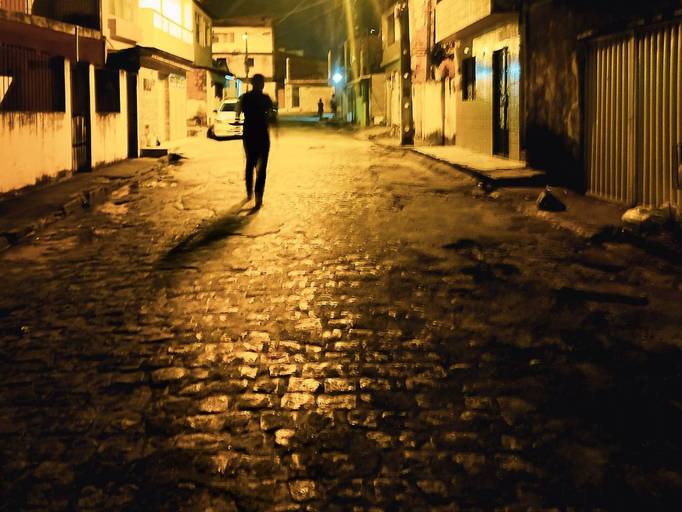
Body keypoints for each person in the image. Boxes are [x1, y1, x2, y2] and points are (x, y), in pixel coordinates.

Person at [236, 74, 274, 209]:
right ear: (262, 85)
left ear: (252, 84)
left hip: (249, 135)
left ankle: (249, 192)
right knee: (262, 168)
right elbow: (272, 116)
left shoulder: (245, 97)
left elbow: (237, 113)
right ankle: (258, 197)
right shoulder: (266, 99)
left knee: (250, 163)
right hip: (262, 136)